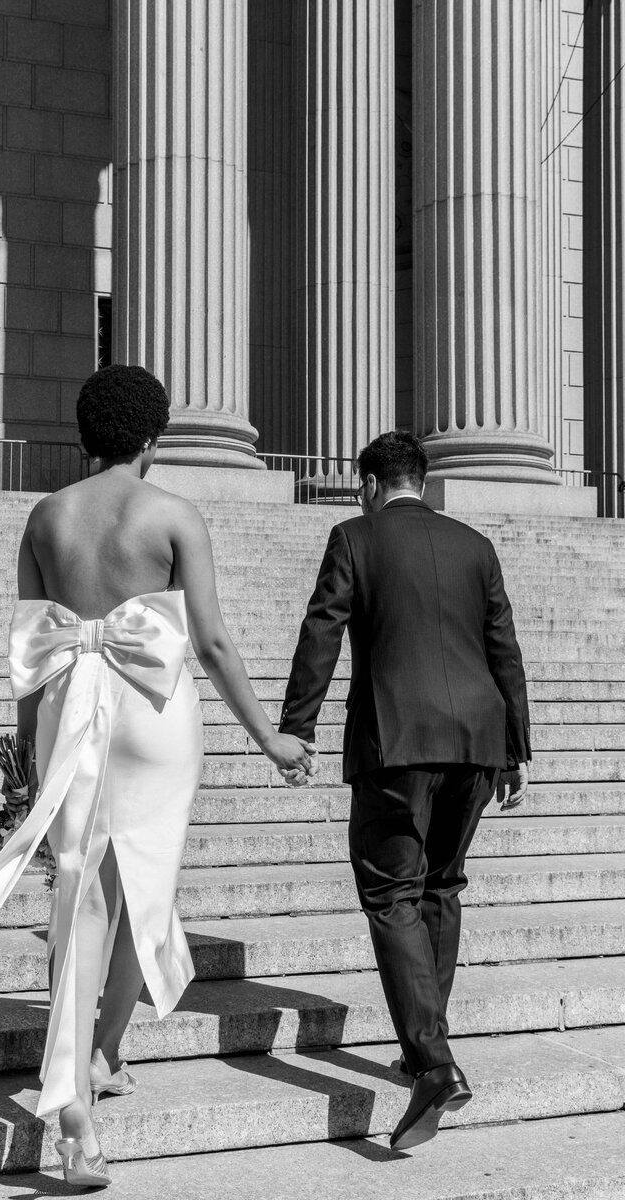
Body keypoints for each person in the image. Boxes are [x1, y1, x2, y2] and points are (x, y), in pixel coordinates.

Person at [0, 364, 314, 1188]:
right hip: (154, 710)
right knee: (144, 886)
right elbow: (208, 641)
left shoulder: (46, 516)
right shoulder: (172, 512)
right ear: (153, 436)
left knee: (82, 894)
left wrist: (25, 763)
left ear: (84, 432)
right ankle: (93, 1067)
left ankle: (82, 1099)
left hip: (69, 704)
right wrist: (270, 737)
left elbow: (31, 655)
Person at [278, 430, 530, 1151]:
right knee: (441, 888)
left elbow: (321, 630)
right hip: (477, 742)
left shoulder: (353, 537)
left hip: (395, 741)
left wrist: (298, 726)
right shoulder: (475, 545)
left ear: (368, 483)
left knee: (392, 895)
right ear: (421, 480)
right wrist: (516, 750)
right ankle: (427, 1049)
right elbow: (502, 646)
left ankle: (436, 1062)